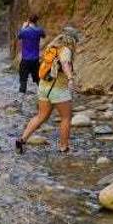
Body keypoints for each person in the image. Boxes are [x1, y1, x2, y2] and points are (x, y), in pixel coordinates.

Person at [14, 25, 80, 154]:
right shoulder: (65, 50)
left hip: (43, 86)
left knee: (41, 116)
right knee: (66, 117)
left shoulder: (52, 46)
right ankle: (63, 147)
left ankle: (22, 140)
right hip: (57, 89)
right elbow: (65, 64)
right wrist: (70, 78)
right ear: (72, 39)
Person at [17, 14, 46, 94]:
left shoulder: (24, 31)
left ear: (28, 21)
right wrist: (37, 26)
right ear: (36, 21)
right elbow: (43, 35)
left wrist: (23, 26)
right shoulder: (39, 30)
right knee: (38, 78)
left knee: (23, 79)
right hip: (35, 59)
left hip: (25, 59)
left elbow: (19, 36)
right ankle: (44, 94)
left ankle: (22, 96)